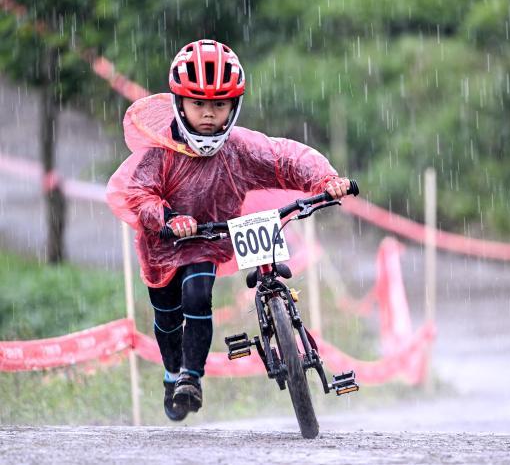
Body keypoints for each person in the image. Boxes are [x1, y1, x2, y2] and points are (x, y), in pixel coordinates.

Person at [106, 39, 352, 421]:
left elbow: (284, 157)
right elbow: (139, 193)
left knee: (197, 295)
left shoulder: (238, 147)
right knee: (168, 317)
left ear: (233, 107)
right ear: (179, 104)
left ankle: (191, 378)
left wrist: (325, 179)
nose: (208, 114)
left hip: (210, 239)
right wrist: (167, 217)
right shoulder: (161, 151)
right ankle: (172, 374)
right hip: (163, 246)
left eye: (219, 105)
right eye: (198, 104)